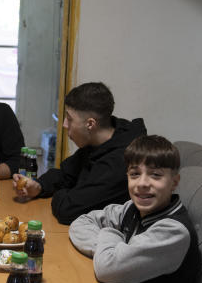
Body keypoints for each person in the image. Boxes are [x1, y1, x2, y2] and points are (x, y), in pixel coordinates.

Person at [68, 135, 201, 283]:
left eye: (156, 175)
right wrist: (112, 251)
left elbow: (108, 269)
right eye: (134, 174)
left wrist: (111, 241)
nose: (142, 184)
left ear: (174, 182)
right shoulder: (133, 209)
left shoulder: (173, 231)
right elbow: (81, 222)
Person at [13, 81, 146, 224]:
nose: (64, 124)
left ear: (90, 124)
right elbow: (65, 174)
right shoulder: (98, 141)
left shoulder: (120, 161)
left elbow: (68, 210)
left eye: (69, 119)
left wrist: (64, 192)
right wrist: (39, 186)